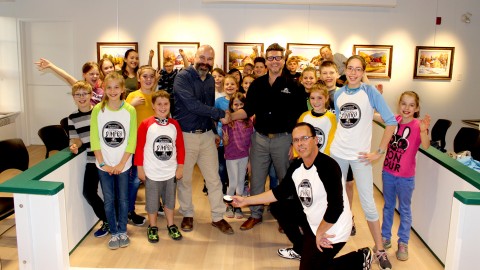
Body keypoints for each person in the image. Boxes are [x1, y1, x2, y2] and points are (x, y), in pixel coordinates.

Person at [231, 122, 373, 270]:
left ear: (315, 140)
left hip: (332, 228)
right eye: (296, 140)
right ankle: (301, 248)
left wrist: (320, 232)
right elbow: (279, 193)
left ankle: (359, 259)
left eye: (304, 138)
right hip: (312, 221)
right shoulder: (297, 166)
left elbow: (336, 208)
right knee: (279, 206)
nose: (300, 143)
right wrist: (245, 201)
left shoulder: (328, 166)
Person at [228, 43, 307, 231]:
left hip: (284, 139)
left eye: (278, 57)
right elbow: (248, 110)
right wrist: (230, 117)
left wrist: (295, 144)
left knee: (285, 180)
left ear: (283, 59)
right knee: (256, 178)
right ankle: (255, 214)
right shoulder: (257, 85)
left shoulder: (294, 85)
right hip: (260, 139)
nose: (274, 61)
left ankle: (286, 217)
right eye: (271, 58)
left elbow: (301, 117)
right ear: (266, 60)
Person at [329, 55, 397, 270]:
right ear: (345, 70)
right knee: (334, 198)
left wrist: (379, 151)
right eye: (350, 68)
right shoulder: (338, 94)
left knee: (368, 204)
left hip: (360, 157)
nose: (353, 73)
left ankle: (379, 250)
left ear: (363, 72)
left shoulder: (370, 92)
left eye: (358, 69)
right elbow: (341, 124)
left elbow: (391, 122)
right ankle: (332, 241)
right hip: (338, 153)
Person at [172, 44, 234, 235]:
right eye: (202, 58)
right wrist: (220, 113)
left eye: (209, 59)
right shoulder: (182, 77)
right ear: (194, 58)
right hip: (186, 136)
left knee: (214, 179)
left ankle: (217, 217)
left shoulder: (209, 80)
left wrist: (215, 130)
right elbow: (192, 105)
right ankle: (187, 214)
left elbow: (205, 108)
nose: (205, 62)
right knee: (185, 180)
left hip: (207, 135)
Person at [376, 91, 431, 261]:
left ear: (417, 108)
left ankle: (403, 243)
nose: (406, 108)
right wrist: (377, 99)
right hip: (388, 173)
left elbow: (427, 146)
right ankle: (385, 238)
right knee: (388, 207)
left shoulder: (417, 125)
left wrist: (423, 131)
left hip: (406, 178)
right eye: (403, 103)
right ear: (399, 105)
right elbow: (378, 116)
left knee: (405, 210)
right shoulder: (395, 119)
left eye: (411, 105)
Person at [90, 72, 137, 250]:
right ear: (104, 89)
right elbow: (95, 138)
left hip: (123, 164)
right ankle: (114, 232)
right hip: (103, 164)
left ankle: (123, 230)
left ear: (123, 89)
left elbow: (131, 139)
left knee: (123, 199)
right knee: (109, 200)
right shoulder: (98, 109)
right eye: (109, 87)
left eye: (116, 87)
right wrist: (103, 163)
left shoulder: (130, 110)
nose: (112, 91)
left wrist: (121, 164)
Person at [134, 90, 185, 243]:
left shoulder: (175, 124)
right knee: (152, 202)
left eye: (166, 104)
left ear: (170, 105)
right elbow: (139, 147)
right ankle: (153, 226)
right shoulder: (146, 124)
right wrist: (140, 168)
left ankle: (171, 224)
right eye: (159, 104)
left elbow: (180, 147)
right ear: (153, 106)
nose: (163, 107)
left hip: (170, 171)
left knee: (169, 200)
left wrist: (180, 166)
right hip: (152, 172)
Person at [67, 81, 109, 238]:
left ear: (91, 95)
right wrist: (74, 146)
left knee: (110, 193)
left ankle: (116, 220)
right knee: (88, 192)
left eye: (85, 93)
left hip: (108, 159)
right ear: (73, 97)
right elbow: (76, 139)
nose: (81, 97)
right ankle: (107, 221)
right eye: (78, 94)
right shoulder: (72, 118)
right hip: (92, 160)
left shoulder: (100, 111)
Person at [125, 65, 159, 226]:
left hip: (153, 146)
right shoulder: (132, 96)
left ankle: (154, 206)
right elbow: (121, 117)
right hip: (136, 145)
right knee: (134, 180)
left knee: (153, 178)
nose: (148, 79)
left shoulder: (156, 97)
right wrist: (132, 105)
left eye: (151, 76)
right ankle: (129, 211)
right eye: (144, 76)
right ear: (138, 78)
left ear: (155, 78)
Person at [223, 92, 253, 219]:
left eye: (241, 104)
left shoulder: (249, 122)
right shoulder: (228, 121)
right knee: (233, 183)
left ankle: (238, 206)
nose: (239, 107)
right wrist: (224, 139)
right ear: (231, 105)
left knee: (241, 182)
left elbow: (251, 142)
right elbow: (225, 143)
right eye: (236, 104)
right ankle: (229, 205)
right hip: (231, 156)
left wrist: (250, 161)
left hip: (244, 156)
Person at [35, 59, 104, 105]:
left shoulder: (101, 91)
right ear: (84, 75)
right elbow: (67, 76)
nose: (95, 76)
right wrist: (51, 66)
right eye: (91, 74)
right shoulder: (81, 87)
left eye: (97, 74)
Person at [215, 75, 239, 195]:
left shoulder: (241, 100)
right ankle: (223, 191)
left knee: (235, 169)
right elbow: (214, 118)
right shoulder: (219, 102)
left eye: (232, 84)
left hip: (237, 141)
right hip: (222, 141)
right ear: (223, 87)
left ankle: (234, 191)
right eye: (227, 84)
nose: (230, 86)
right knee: (222, 168)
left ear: (237, 86)